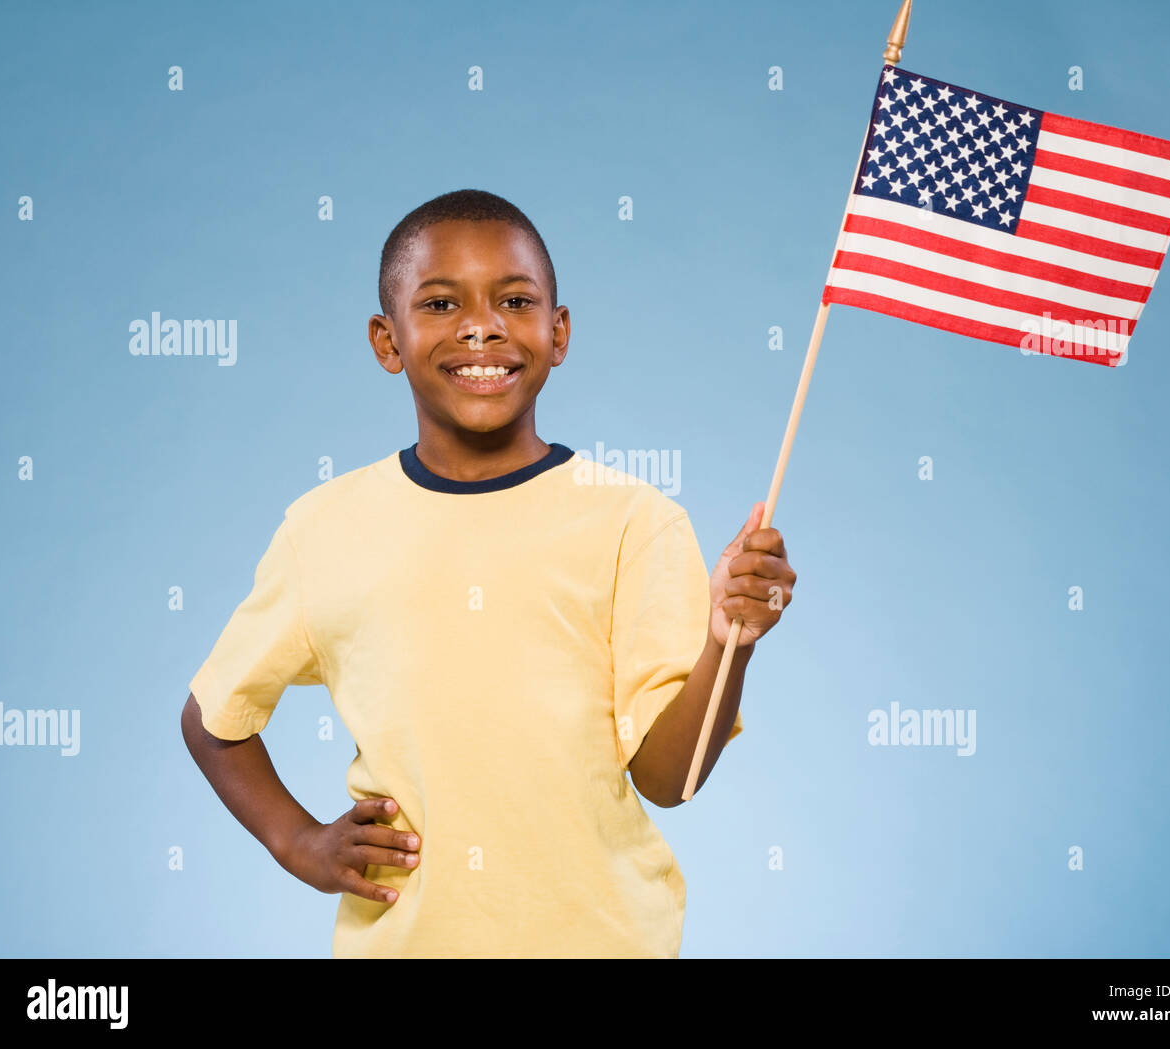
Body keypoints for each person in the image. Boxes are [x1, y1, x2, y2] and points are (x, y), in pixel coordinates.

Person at [180, 188, 797, 957]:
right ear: (387, 339)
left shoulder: (634, 519)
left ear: (558, 331)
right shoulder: (324, 529)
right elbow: (213, 720)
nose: (481, 325)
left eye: (514, 299)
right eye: (440, 303)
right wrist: (298, 842)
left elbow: (669, 780)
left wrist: (728, 640)